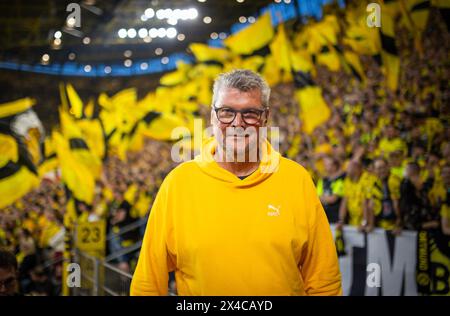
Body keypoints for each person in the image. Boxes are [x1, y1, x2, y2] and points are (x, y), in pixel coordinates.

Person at [131, 69, 342, 296]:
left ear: (265, 118)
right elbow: (148, 284)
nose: (237, 123)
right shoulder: (178, 184)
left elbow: (324, 281)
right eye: (226, 112)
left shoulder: (296, 179)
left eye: (250, 113)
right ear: (212, 116)